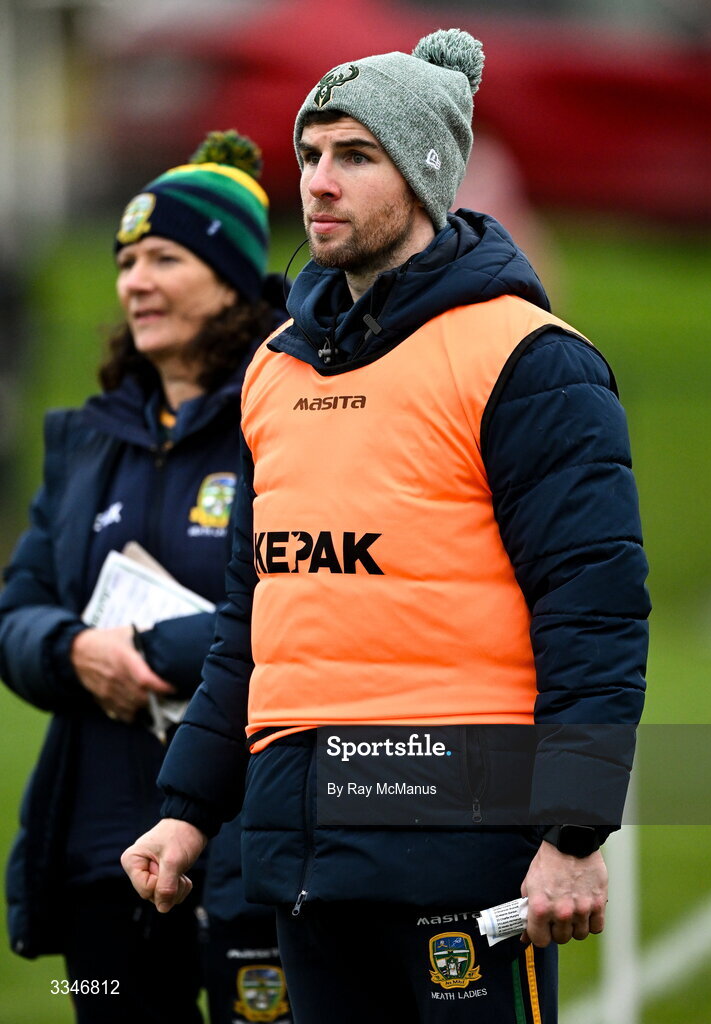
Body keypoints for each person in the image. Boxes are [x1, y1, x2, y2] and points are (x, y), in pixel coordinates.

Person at [122, 29, 650, 1024]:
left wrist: (573, 834)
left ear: (426, 172)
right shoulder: (275, 368)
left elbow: (595, 611)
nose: (319, 181)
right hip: (300, 857)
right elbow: (256, 614)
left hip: (464, 851)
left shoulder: (529, 359)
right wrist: (187, 809)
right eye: (313, 153)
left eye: (356, 156)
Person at [0, 131, 291, 1024]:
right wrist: (73, 648)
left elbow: (299, 602)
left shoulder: (288, 419)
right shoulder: (84, 440)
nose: (136, 282)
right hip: (102, 853)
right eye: (127, 261)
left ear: (233, 279)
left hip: (250, 847)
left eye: (166, 257)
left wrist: (145, 652)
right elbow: (16, 612)